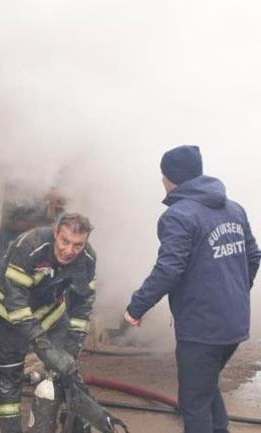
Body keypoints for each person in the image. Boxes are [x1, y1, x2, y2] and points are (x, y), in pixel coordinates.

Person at [124, 145, 261, 433]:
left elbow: (169, 270)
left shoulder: (178, 215)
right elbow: (253, 256)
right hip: (234, 323)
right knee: (206, 386)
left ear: (171, 179)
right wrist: (235, 292)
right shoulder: (234, 208)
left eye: (163, 176)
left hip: (202, 328)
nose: (162, 181)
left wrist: (136, 308)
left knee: (194, 402)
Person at [0, 212, 97, 433]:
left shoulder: (87, 258)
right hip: (9, 315)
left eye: (77, 245)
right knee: (9, 380)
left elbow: (82, 301)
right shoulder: (30, 246)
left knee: (67, 371)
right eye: (65, 241)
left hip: (50, 313)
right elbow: (15, 300)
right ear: (56, 233)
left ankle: (76, 425)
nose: (69, 250)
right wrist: (42, 345)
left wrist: (73, 344)